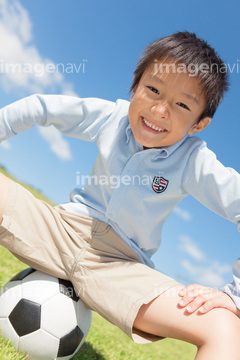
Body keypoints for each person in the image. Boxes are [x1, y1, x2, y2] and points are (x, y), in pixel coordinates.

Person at [0, 31, 240, 359]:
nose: (160, 109)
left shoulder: (193, 161)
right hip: (62, 230)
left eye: (182, 104)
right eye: (153, 89)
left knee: (224, 326)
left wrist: (235, 295)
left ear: (198, 125)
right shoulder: (111, 117)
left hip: (120, 266)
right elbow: (41, 107)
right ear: (134, 86)